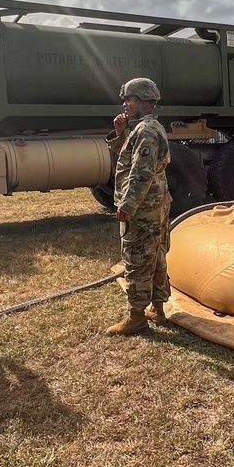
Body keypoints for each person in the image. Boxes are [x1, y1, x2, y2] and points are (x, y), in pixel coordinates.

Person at [106, 77, 172, 336]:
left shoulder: (146, 131)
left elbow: (141, 172)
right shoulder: (146, 127)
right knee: (155, 256)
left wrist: (128, 205)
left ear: (145, 102)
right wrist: (121, 132)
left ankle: (137, 316)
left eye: (130, 99)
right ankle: (158, 308)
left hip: (144, 206)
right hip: (155, 203)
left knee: (137, 258)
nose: (125, 103)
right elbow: (129, 157)